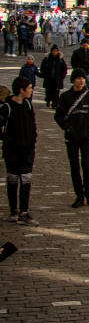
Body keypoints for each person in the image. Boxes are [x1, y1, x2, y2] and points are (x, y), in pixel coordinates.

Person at [54, 69, 89, 208]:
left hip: (86, 136)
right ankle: (79, 195)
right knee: (74, 166)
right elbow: (58, 116)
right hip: (71, 137)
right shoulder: (65, 97)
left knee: (86, 164)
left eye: (83, 78)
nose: (81, 80)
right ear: (73, 80)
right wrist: (67, 128)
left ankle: (88, 190)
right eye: (78, 78)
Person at [0, 77, 38, 225]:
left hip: (27, 150)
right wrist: (8, 139)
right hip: (12, 151)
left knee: (26, 180)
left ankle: (24, 211)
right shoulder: (7, 107)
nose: (31, 90)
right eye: (29, 88)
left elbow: (33, 124)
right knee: (13, 179)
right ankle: (13, 211)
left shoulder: (28, 104)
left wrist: (32, 140)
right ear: (21, 90)